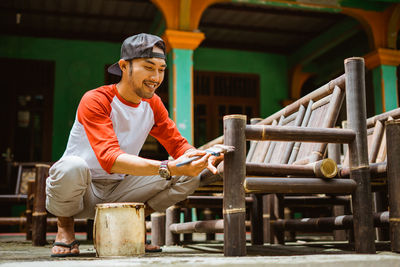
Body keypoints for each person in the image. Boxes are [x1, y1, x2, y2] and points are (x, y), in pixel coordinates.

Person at [46, 33, 222, 257]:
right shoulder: (96, 99)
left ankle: (133, 220)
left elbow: (178, 145)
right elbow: (109, 158)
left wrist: (202, 156)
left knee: (191, 174)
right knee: (71, 166)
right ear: (124, 66)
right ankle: (65, 229)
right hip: (82, 192)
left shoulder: (153, 104)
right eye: (148, 67)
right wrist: (168, 168)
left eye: (161, 69)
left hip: (121, 190)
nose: (156, 77)